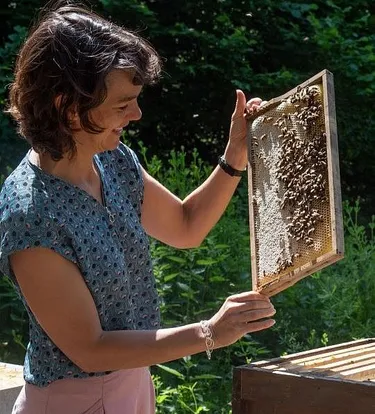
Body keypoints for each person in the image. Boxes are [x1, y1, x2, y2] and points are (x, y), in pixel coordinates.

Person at [0, 1, 275, 413]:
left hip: (133, 382)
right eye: (122, 103)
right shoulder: (30, 212)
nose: (137, 113)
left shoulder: (112, 158)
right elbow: (90, 349)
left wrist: (235, 153)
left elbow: (185, 225)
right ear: (66, 105)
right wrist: (209, 332)